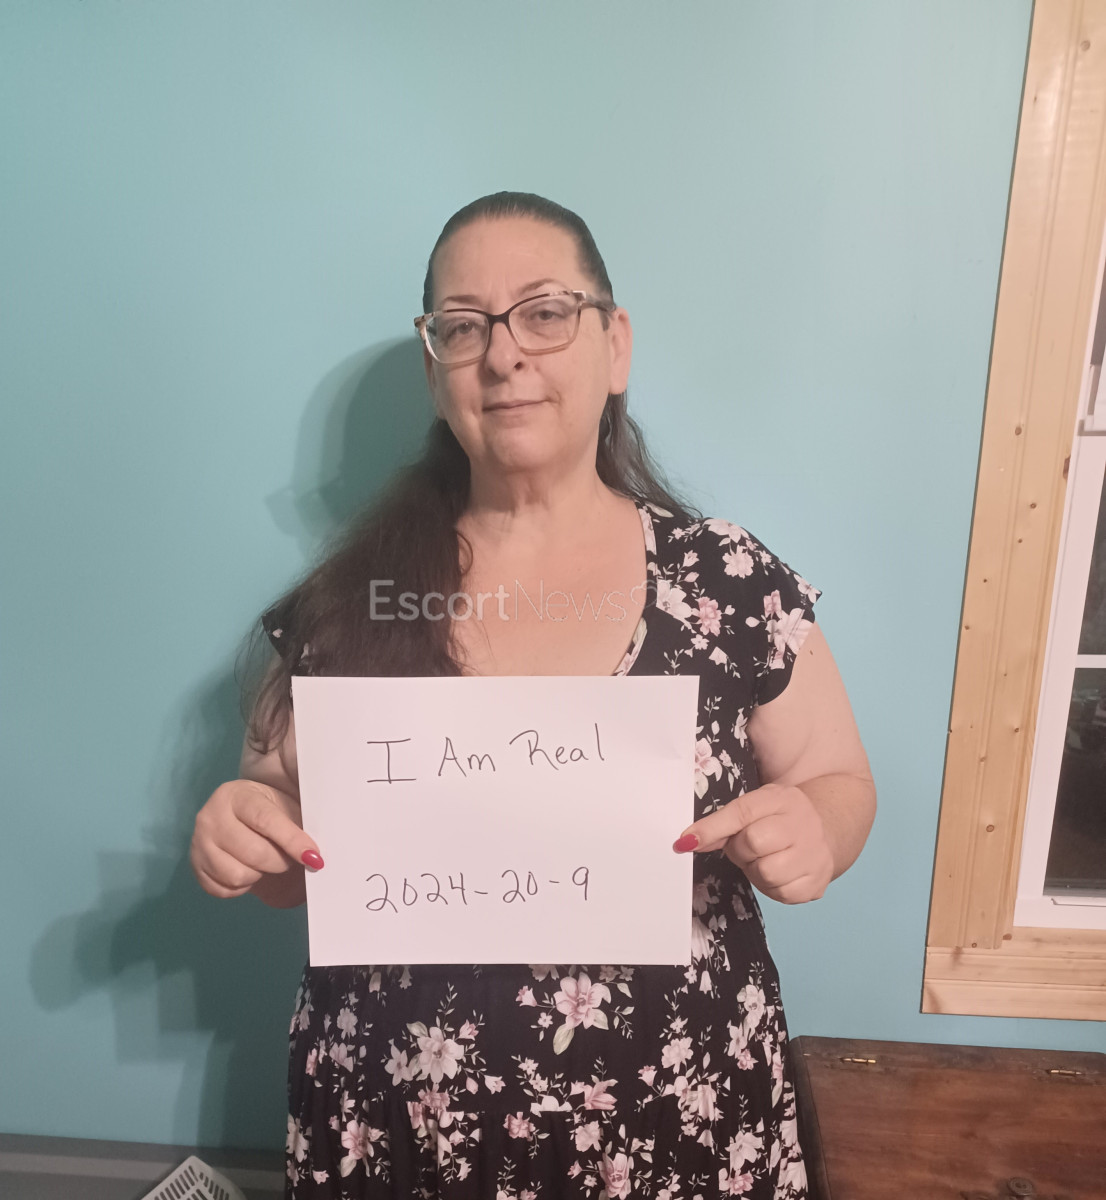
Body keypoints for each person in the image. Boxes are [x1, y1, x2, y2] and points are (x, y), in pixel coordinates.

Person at [189, 192, 875, 1198]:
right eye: (463, 327)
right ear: (436, 369)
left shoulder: (727, 583)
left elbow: (838, 779)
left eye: (545, 313)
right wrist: (243, 829)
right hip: (403, 1136)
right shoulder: (350, 602)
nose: (504, 355)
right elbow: (286, 846)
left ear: (615, 345)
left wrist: (818, 828)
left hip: (677, 1130)